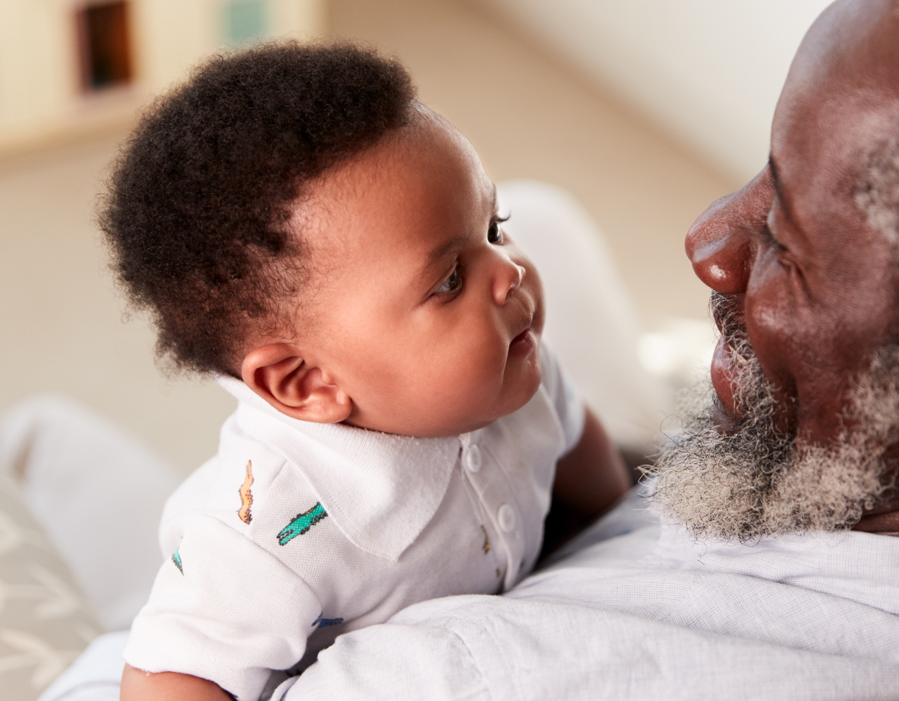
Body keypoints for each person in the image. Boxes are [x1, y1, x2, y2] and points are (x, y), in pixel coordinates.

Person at [36, 0, 899, 701]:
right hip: (196, 639)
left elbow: (579, 471)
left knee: (33, 443)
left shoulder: (463, 672)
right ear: (303, 383)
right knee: (546, 220)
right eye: (760, 173)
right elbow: (179, 660)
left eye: (788, 245)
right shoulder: (259, 528)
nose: (709, 242)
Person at [99, 44, 630, 701]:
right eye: (451, 279)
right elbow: (167, 676)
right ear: (307, 383)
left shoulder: (514, 361)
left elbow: (580, 446)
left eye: (495, 226)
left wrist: (626, 533)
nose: (510, 271)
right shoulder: (264, 540)